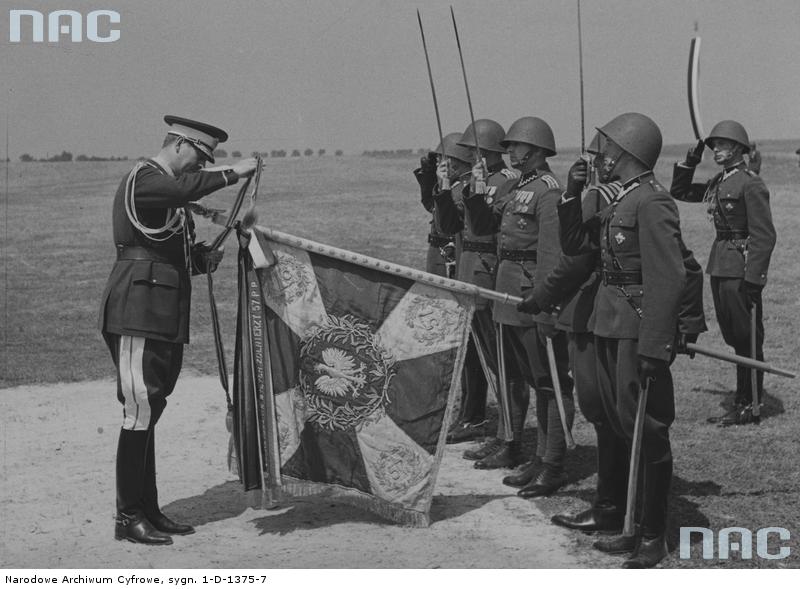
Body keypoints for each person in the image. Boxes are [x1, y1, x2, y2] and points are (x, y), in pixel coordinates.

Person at [98, 115, 260, 545]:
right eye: (199, 159)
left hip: (161, 314)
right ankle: (127, 515)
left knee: (150, 409)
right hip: (137, 311)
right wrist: (232, 173)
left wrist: (208, 255)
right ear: (180, 146)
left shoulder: (168, 197)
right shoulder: (145, 179)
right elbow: (183, 189)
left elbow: (176, 254)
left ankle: (147, 509)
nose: (197, 168)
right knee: (138, 413)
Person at [557, 113, 692, 568]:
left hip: (636, 330)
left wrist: (655, 345)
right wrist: (573, 193)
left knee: (647, 431)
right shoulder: (621, 200)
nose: (601, 156)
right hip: (610, 322)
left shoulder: (652, 203)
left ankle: (653, 534)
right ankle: (627, 521)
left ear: (628, 152)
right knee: (621, 425)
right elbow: (578, 243)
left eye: (607, 149)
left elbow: (669, 277)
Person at [459, 117, 573, 494]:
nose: (509, 152)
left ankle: (551, 461)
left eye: (516, 147)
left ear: (537, 149)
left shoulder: (548, 190)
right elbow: (483, 227)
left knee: (548, 383)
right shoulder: (520, 185)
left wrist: (545, 306)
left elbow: (550, 253)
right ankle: (531, 454)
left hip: (529, 294)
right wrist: (476, 190)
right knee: (520, 375)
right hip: (506, 292)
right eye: (507, 147)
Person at [670, 121, 776, 425]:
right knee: (734, 335)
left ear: (739, 150)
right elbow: (681, 191)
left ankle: (750, 403)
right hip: (721, 264)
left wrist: (754, 278)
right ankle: (744, 397)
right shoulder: (721, 180)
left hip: (741, 268)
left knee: (748, 338)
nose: (716, 150)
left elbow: (764, 235)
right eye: (714, 145)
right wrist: (690, 162)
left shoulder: (750, 183)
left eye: (723, 145)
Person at [434, 119, 519, 453]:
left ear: (487, 150)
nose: (465, 154)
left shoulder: (507, 182)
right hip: (469, 272)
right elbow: (447, 226)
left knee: (500, 362)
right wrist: (442, 188)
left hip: (489, 272)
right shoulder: (469, 181)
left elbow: (491, 229)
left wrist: (479, 190)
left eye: (471, 149)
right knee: (479, 355)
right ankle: (487, 424)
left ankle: (506, 434)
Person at [417, 133, 480, 438]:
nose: (441, 164)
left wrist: (440, 184)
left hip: (454, 262)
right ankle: (464, 408)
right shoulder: (453, 187)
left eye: (445, 160)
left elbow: (444, 218)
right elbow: (432, 204)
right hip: (442, 259)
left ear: (458, 163)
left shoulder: (461, 190)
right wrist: (429, 176)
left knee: (467, 346)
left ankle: (472, 410)